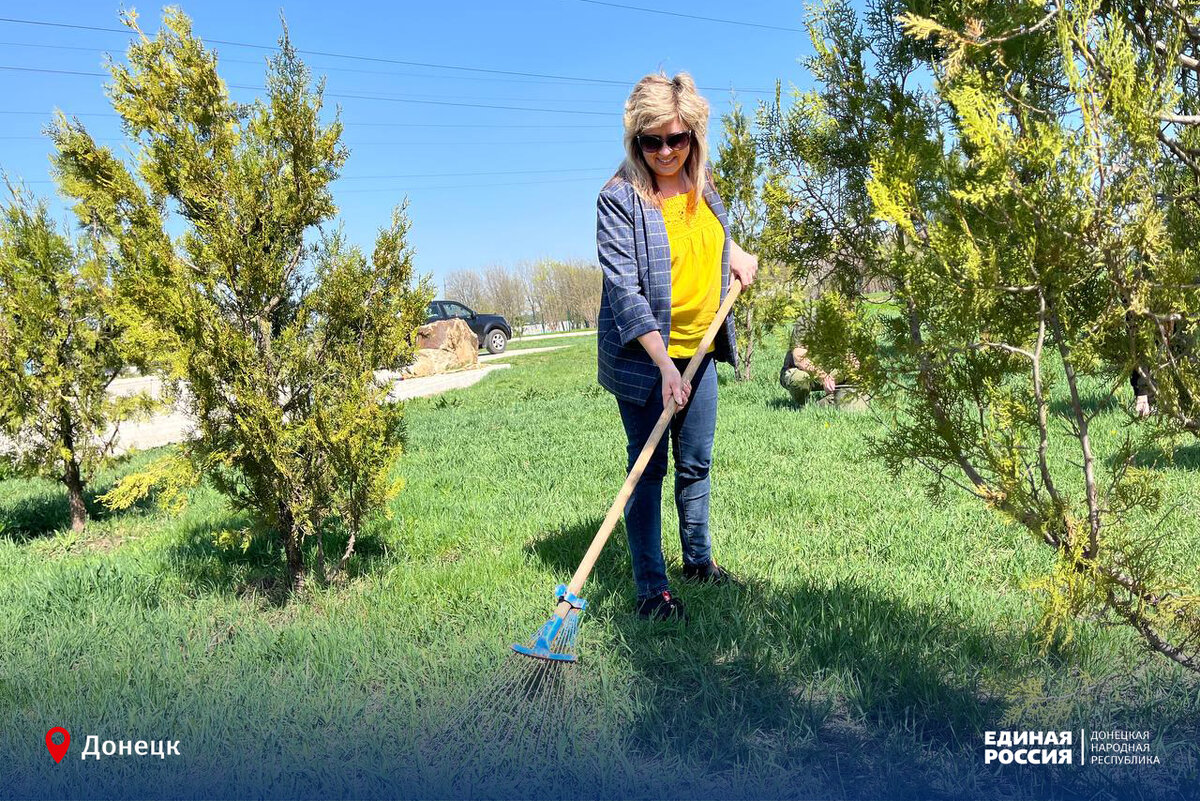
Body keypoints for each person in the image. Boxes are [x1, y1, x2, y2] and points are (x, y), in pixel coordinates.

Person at [595, 72, 758, 622]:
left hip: (701, 349)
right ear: (635, 140)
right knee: (648, 470)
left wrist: (735, 253)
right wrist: (666, 368)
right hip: (646, 360)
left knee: (695, 462)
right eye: (652, 140)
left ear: (693, 135)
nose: (666, 151)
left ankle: (698, 562)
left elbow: (710, 238)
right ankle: (651, 590)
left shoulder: (701, 182)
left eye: (677, 138)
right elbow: (625, 291)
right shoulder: (619, 199)